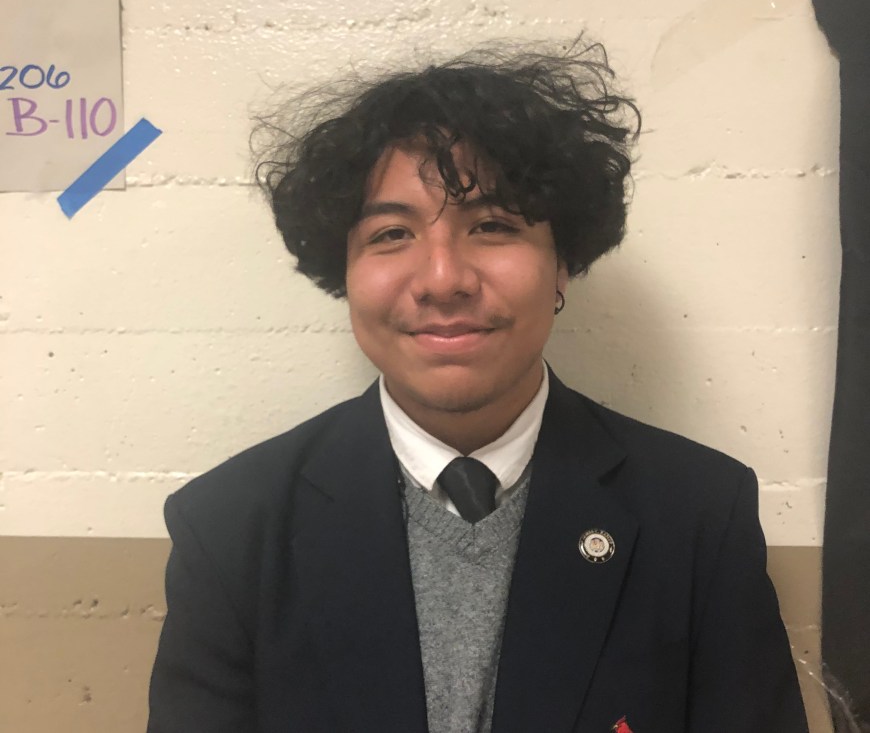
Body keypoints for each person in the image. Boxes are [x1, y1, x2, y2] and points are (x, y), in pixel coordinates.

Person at [147, 39, 809, 732]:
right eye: (391, 233)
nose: (443, 279)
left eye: (493, 225)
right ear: (344, 270)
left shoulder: (698, 514)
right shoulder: (231, 527)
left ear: (562, 263)